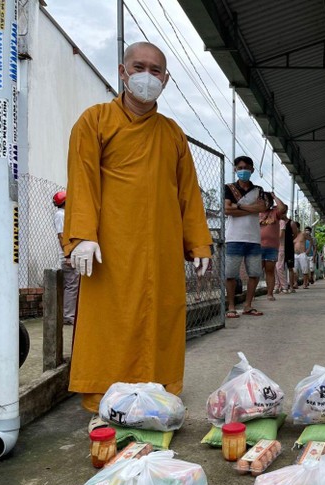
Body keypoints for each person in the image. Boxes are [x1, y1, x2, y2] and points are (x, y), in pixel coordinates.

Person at [62, 42, 212, 415]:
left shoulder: (173, 133)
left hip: (161, 247)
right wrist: (82, 236)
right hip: (110, 248)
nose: (147, 76)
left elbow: (188, 193)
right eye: (139, 67)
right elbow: (82, 179)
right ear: (122, 72)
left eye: (155, 70)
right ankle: (103, 396)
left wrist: (199, 243)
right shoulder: (95, 121)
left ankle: (160, 389)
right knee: (109, 320)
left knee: (161, 316)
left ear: (166, 79)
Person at [224, 155, 269, 317]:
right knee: (230, 274)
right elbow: (227, 210)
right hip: (233, 238)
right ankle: (231, 306)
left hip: (253, 239)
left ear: (252, 170)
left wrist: (237, 206)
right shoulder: (229, 188)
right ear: (235, 169)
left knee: (255, 274)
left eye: (246, 168)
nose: (243, 171)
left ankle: (248, 305)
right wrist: (252, 208)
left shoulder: (258, 190)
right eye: (240, 168)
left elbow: (262, 208)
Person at [53, 191, 79, 325]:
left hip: (69, 255)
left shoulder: (63, 215)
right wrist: (67, 255)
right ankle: (68, 316)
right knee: (71, 286)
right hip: (67, 257)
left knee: (72, 285)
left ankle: (69, 314)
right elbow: (61, 236)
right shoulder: (61, 215)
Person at [259, 192, 288, 300]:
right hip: (257, 247)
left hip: (271, 247)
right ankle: (251, 295)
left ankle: (270, 294)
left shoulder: (274, 212)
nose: (265, 202)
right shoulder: (255, 213)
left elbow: (282, 208)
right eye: (262, 200)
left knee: (270, 271)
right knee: (255, 272)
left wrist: (274, 196)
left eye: (267, 200)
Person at [275, 218, 289, 293]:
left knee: (279, 267)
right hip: (272, 247)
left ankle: (284, 286)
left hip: (280, 248)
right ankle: (277, 286)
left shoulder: (281, 222)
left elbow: (281, 235)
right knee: (273, 268)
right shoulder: (272, 222)